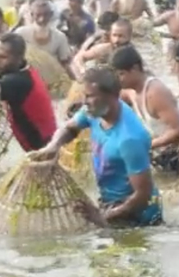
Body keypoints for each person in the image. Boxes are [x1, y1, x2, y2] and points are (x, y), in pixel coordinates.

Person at [31, 67, 163, 227]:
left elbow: (143, 195)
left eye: (90, 96)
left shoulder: (130, 138)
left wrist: (103, 216)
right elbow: (69, 128)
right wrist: (53, 146)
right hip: (111, 201)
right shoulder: (94, 111)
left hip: (138, 216)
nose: (84, 101)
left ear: (112, 96)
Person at [112, 46, 179, 172]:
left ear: (135, 69)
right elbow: (113, 100)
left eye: (121, 74)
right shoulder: (131, 91)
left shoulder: (154, 92)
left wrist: (145, 146)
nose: (119, 79)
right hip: (162, 151)